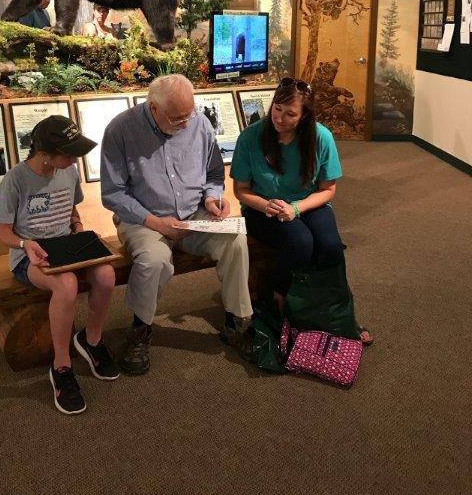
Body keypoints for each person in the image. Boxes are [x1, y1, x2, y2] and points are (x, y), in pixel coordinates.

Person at [100, 74, 254, 375]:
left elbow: (213, 174)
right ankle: (140, 329)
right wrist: (154, 221)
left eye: (188, 114)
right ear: (153, 107)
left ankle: (238, 322)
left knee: (235, 240)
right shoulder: (120, 129)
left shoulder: (199, 122)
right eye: (176, 118)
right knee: (154, 260)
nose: (185, 123)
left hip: (194, 213)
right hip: (142, 217)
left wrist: (212, 198)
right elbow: (112, 193)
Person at [0, 115, 119, 415]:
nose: (75, 161)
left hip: (65, 244)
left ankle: (91, 340)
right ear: (45, 154)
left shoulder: (68, 172)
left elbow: (70, 207)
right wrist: (25, 244)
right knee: (66, 284)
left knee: (106, 274)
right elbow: (2, 233)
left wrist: (77, 225)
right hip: (29, 254)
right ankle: (61, 365)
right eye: (69, 154)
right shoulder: (15, 180)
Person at [230, 77, 372, 345]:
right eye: (277, 109)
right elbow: (242, 190)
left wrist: (296, 208)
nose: (279, 118)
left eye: (290, 113)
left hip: (307, 202)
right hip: (263, 208)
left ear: (305, 116)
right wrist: (267, 204)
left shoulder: (321, 137)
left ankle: (336, 309)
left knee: (330, 245)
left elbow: (328, 190)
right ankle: (281, 299)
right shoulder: (252, 136)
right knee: (300, 242)